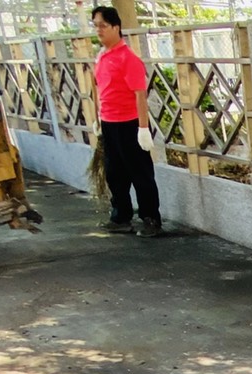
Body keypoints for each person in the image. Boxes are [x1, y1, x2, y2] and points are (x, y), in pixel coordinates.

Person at [90, 5, 161, 237]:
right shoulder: (101, 57)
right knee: (114, 173)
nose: (99, 30)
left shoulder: (128, 58)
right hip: (109, 123)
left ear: (116, 27)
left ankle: (150, 219)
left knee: (140, 173)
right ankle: (121, 217)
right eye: (96, 26)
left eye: (103, 25)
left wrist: (143, 128)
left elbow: (140, 95)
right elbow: (99, 89)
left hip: (130, 123)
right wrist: (97, 118)